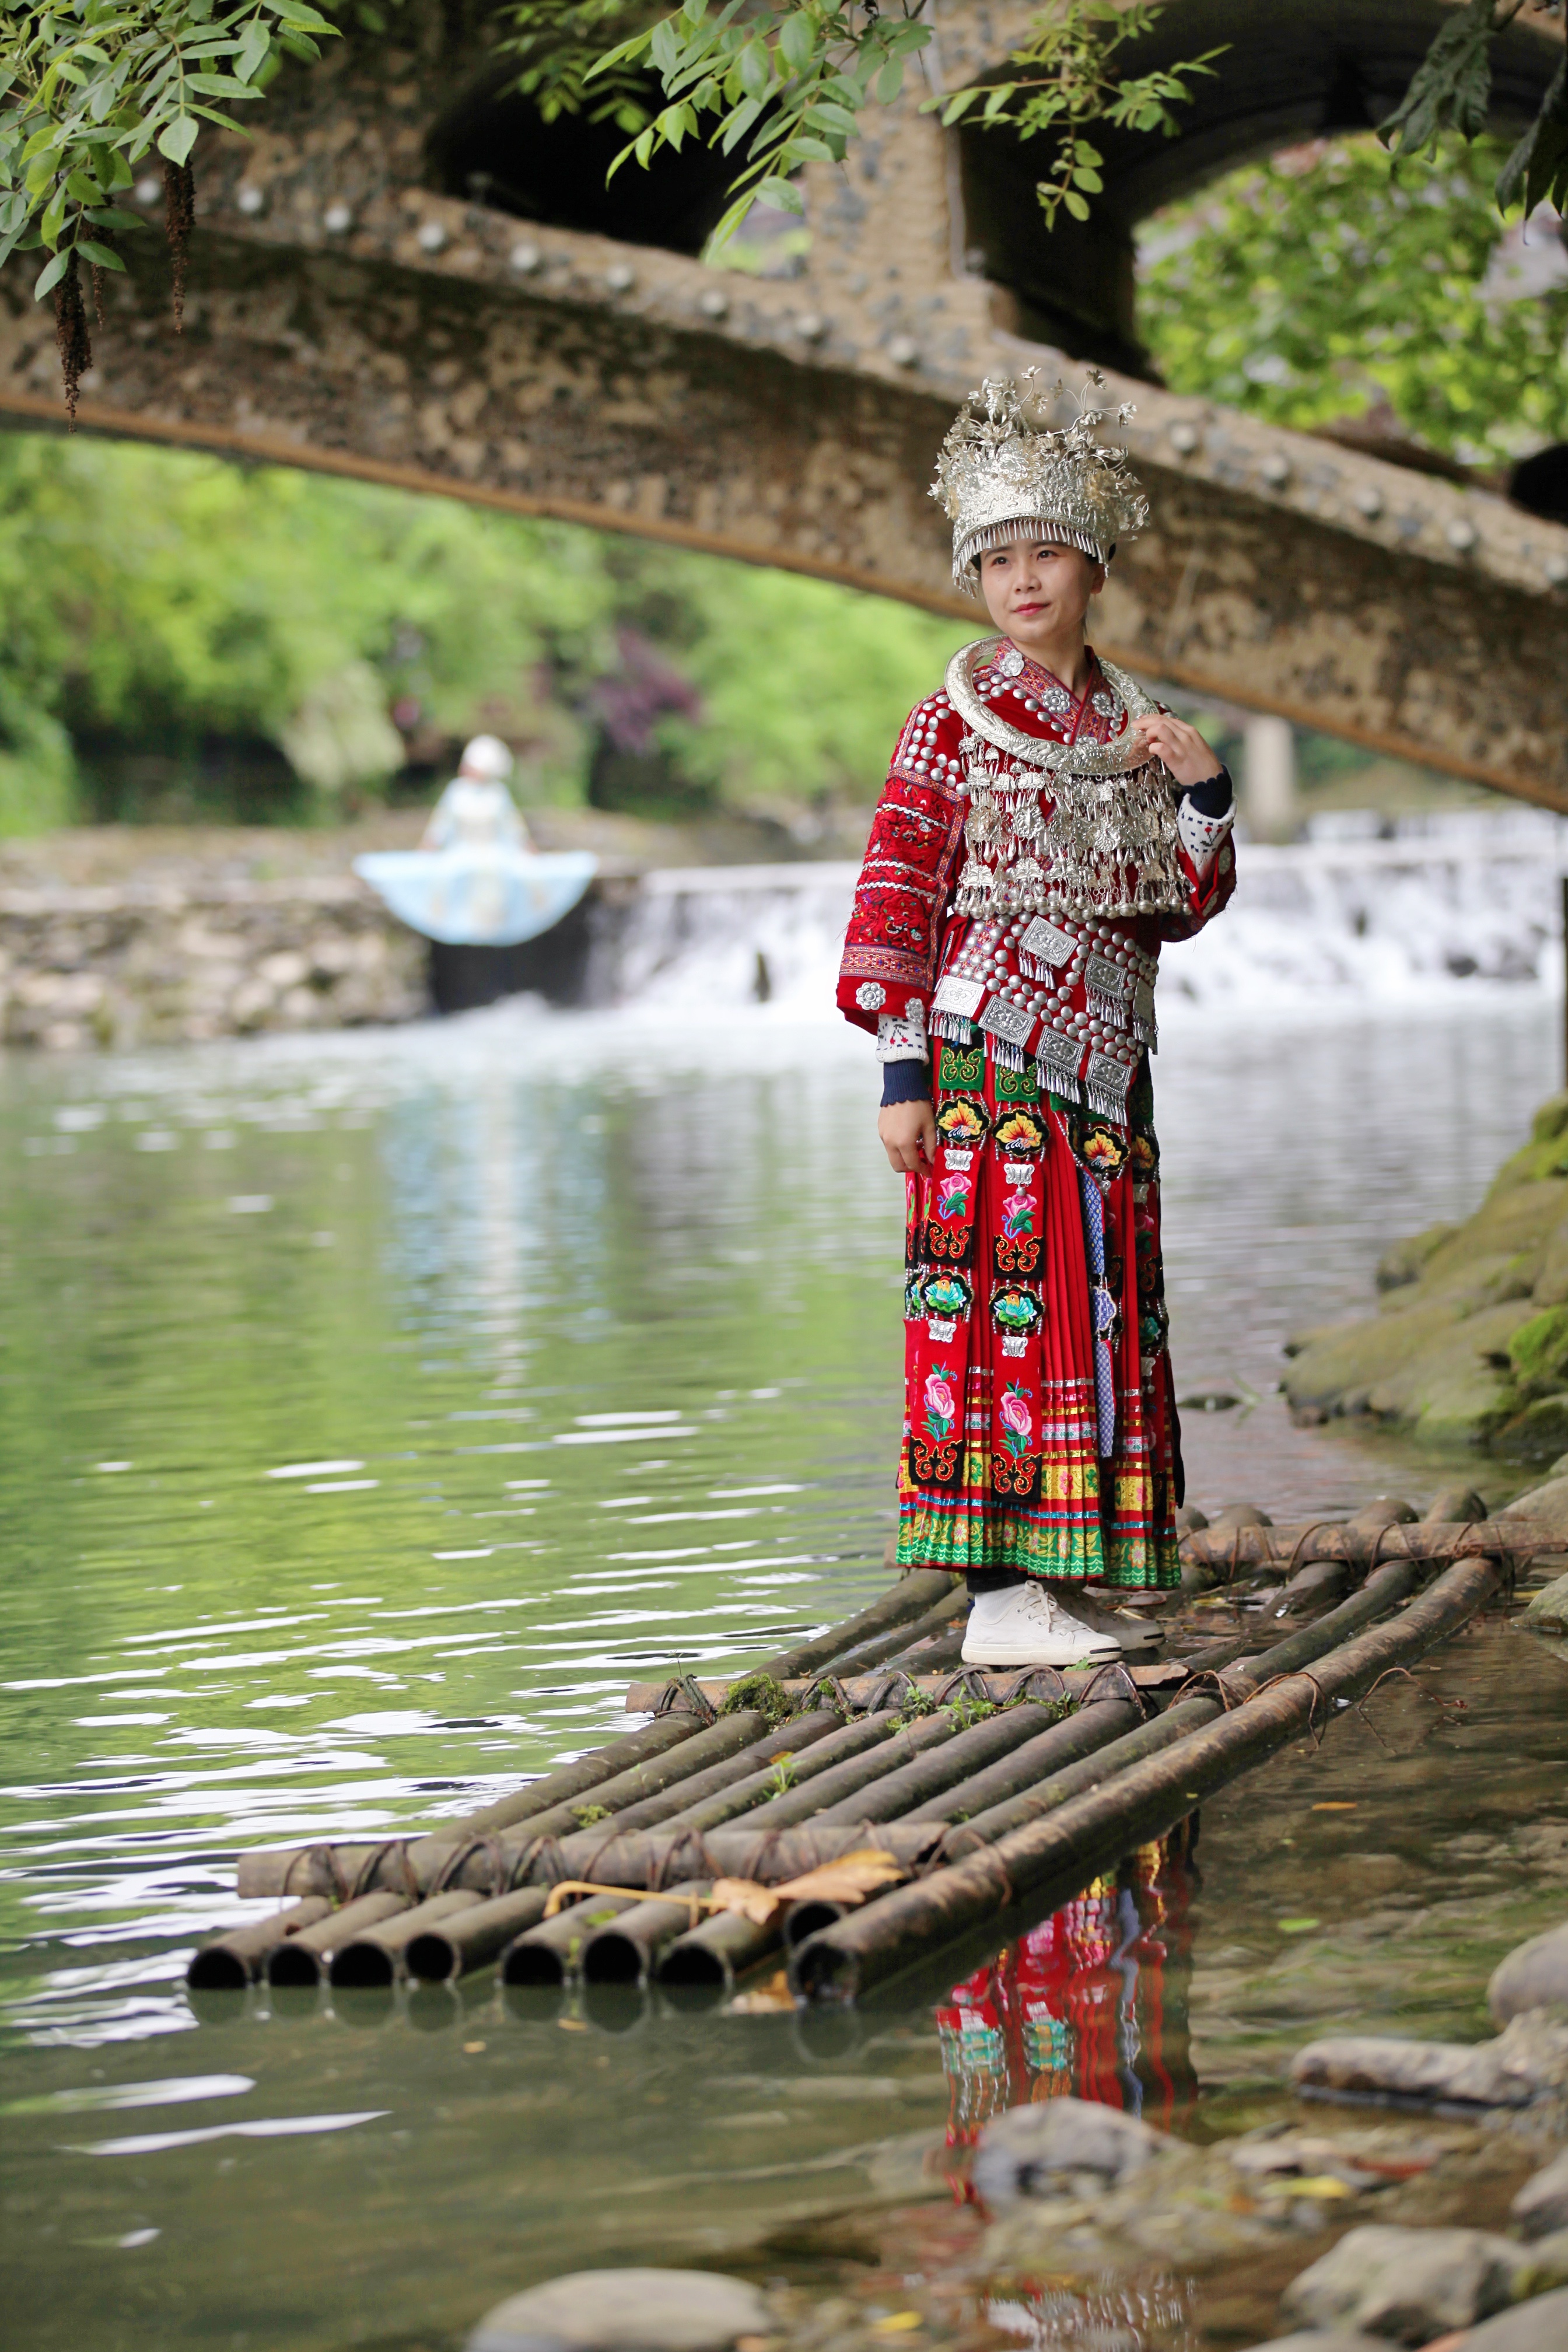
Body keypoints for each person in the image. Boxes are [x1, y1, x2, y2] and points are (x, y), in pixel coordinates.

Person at [837, 373, 1236, 1668]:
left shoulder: (1138, 726)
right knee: (1003, 1306)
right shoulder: (947, 723)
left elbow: (1178, 907)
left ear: (1093, 567)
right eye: (997, 558)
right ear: (974, 576)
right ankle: (1000, 1600)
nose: (1022, 579)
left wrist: (1208, 797)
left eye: (1046, 553)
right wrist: (904, 1071)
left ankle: (1074, 1579)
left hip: (1112, 1067)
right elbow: (899, 892)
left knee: (1108, 1306)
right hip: (985, 1058)